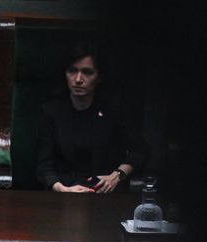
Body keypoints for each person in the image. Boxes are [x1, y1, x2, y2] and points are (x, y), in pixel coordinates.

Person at [35, 43, 150, 193]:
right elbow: (44, 165)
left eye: (87, 72)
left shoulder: (113, 110)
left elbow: (140, 150)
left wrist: (117, 176)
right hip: (65, 191)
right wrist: (60, 188)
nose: (78, 79)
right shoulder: (51, 111)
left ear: (99, 77)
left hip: (105, 192)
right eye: (72, 71)